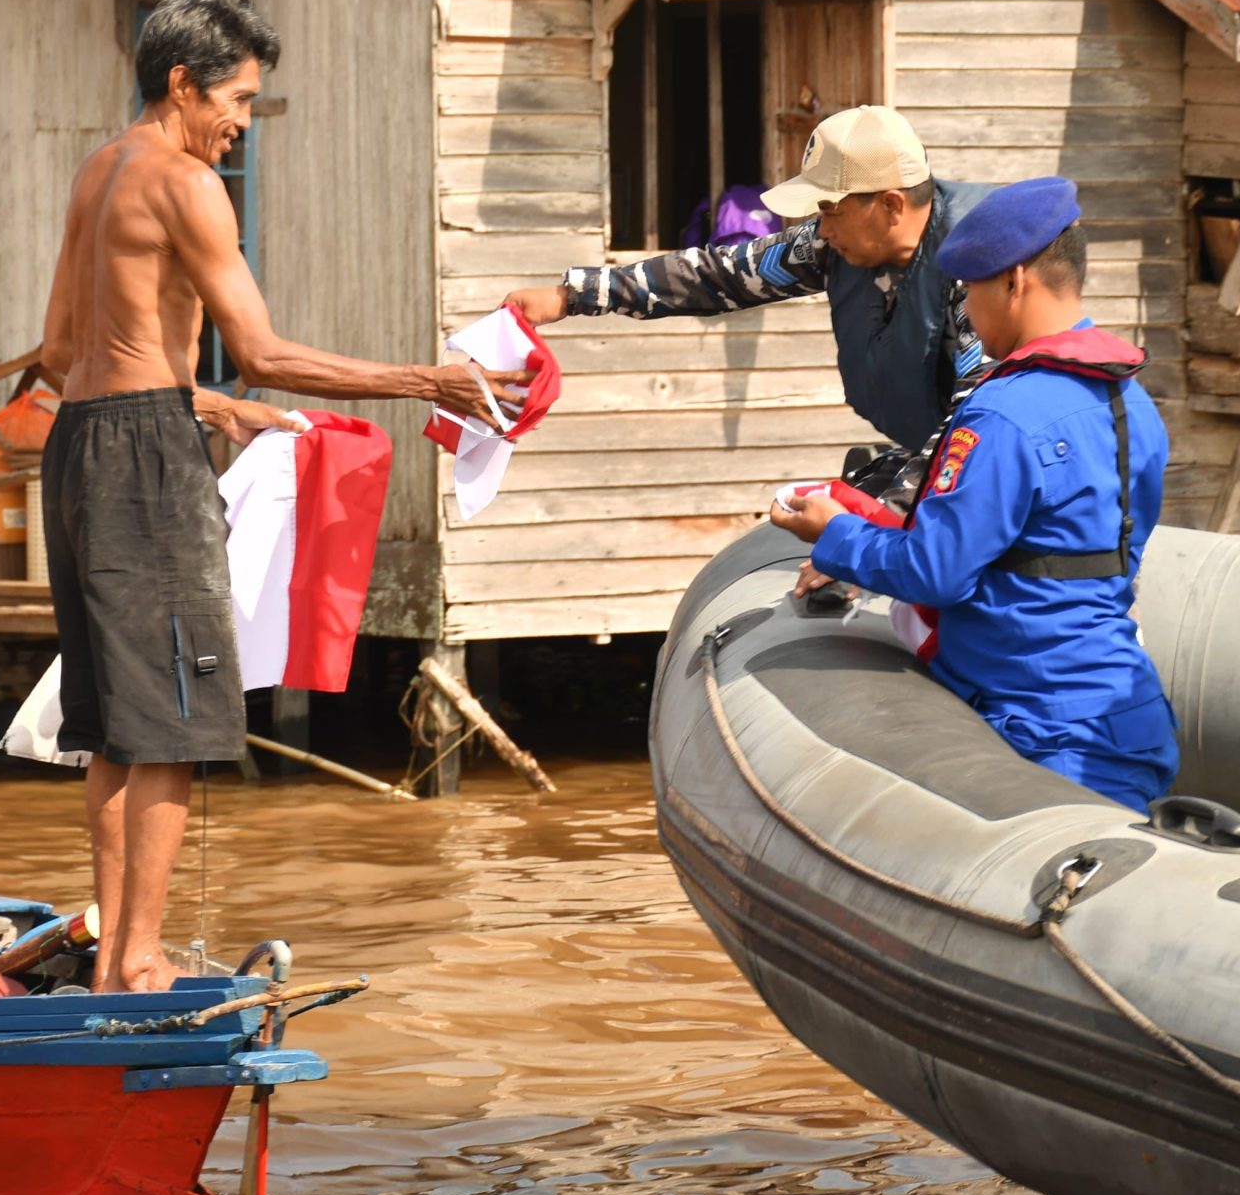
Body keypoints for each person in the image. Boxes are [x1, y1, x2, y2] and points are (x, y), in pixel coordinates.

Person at [38, 0, 521, 993]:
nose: (243, 124)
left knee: (116, 725)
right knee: (170, 719)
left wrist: (213, 406)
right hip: (144, 459)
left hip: (79, 445)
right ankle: (137, 960)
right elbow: (261, 349)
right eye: (239, 100)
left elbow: (59, 353)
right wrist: (424, 380)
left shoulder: (97, 169)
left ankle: (116, 956)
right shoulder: (186, 181)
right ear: (183, 84)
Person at [767, 178, 1178, 812]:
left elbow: (935, 572)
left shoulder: (1004, 413)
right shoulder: (1130, 398)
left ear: (1013, 282)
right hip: (1125, 709)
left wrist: (833, 533)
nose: (966, 309)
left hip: (1040, 723)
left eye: (970, 290)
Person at [502, 106, 990, 519]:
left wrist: (868, 534)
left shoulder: (981, 266)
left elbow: (976, 425)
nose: (822, 229)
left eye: (831, 211)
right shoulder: (833, 244)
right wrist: (574, 295)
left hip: (982, 474)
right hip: (928, 457)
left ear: (890, 205)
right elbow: (720, 274)